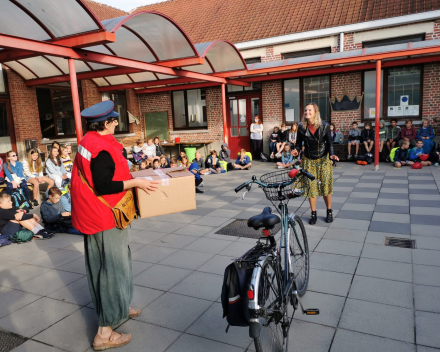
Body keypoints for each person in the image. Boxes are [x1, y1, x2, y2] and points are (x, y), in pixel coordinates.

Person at [71, 100, 159, 350]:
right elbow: (104, 185)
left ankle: (118, 308)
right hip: (105, 215)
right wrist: (137, 184)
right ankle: (104, 333)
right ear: (105, 123)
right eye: (114, 121)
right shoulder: (99, 148)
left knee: (114, 263)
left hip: (94, 213)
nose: (117, 124)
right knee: (111, 269)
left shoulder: (88, 141)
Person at [293, 102, 339, 224]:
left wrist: (332, 154)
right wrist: (296, 150)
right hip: (308, 160)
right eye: (305, 110)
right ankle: (313, 213)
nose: (307, 112)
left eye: (310, 110)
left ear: (316, 113)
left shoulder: (324, 126)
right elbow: (298, 144)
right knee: (311, 188)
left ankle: (329, 211)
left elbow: (329, 142)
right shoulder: (301, 127)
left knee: (325, 187)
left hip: (324, 159)